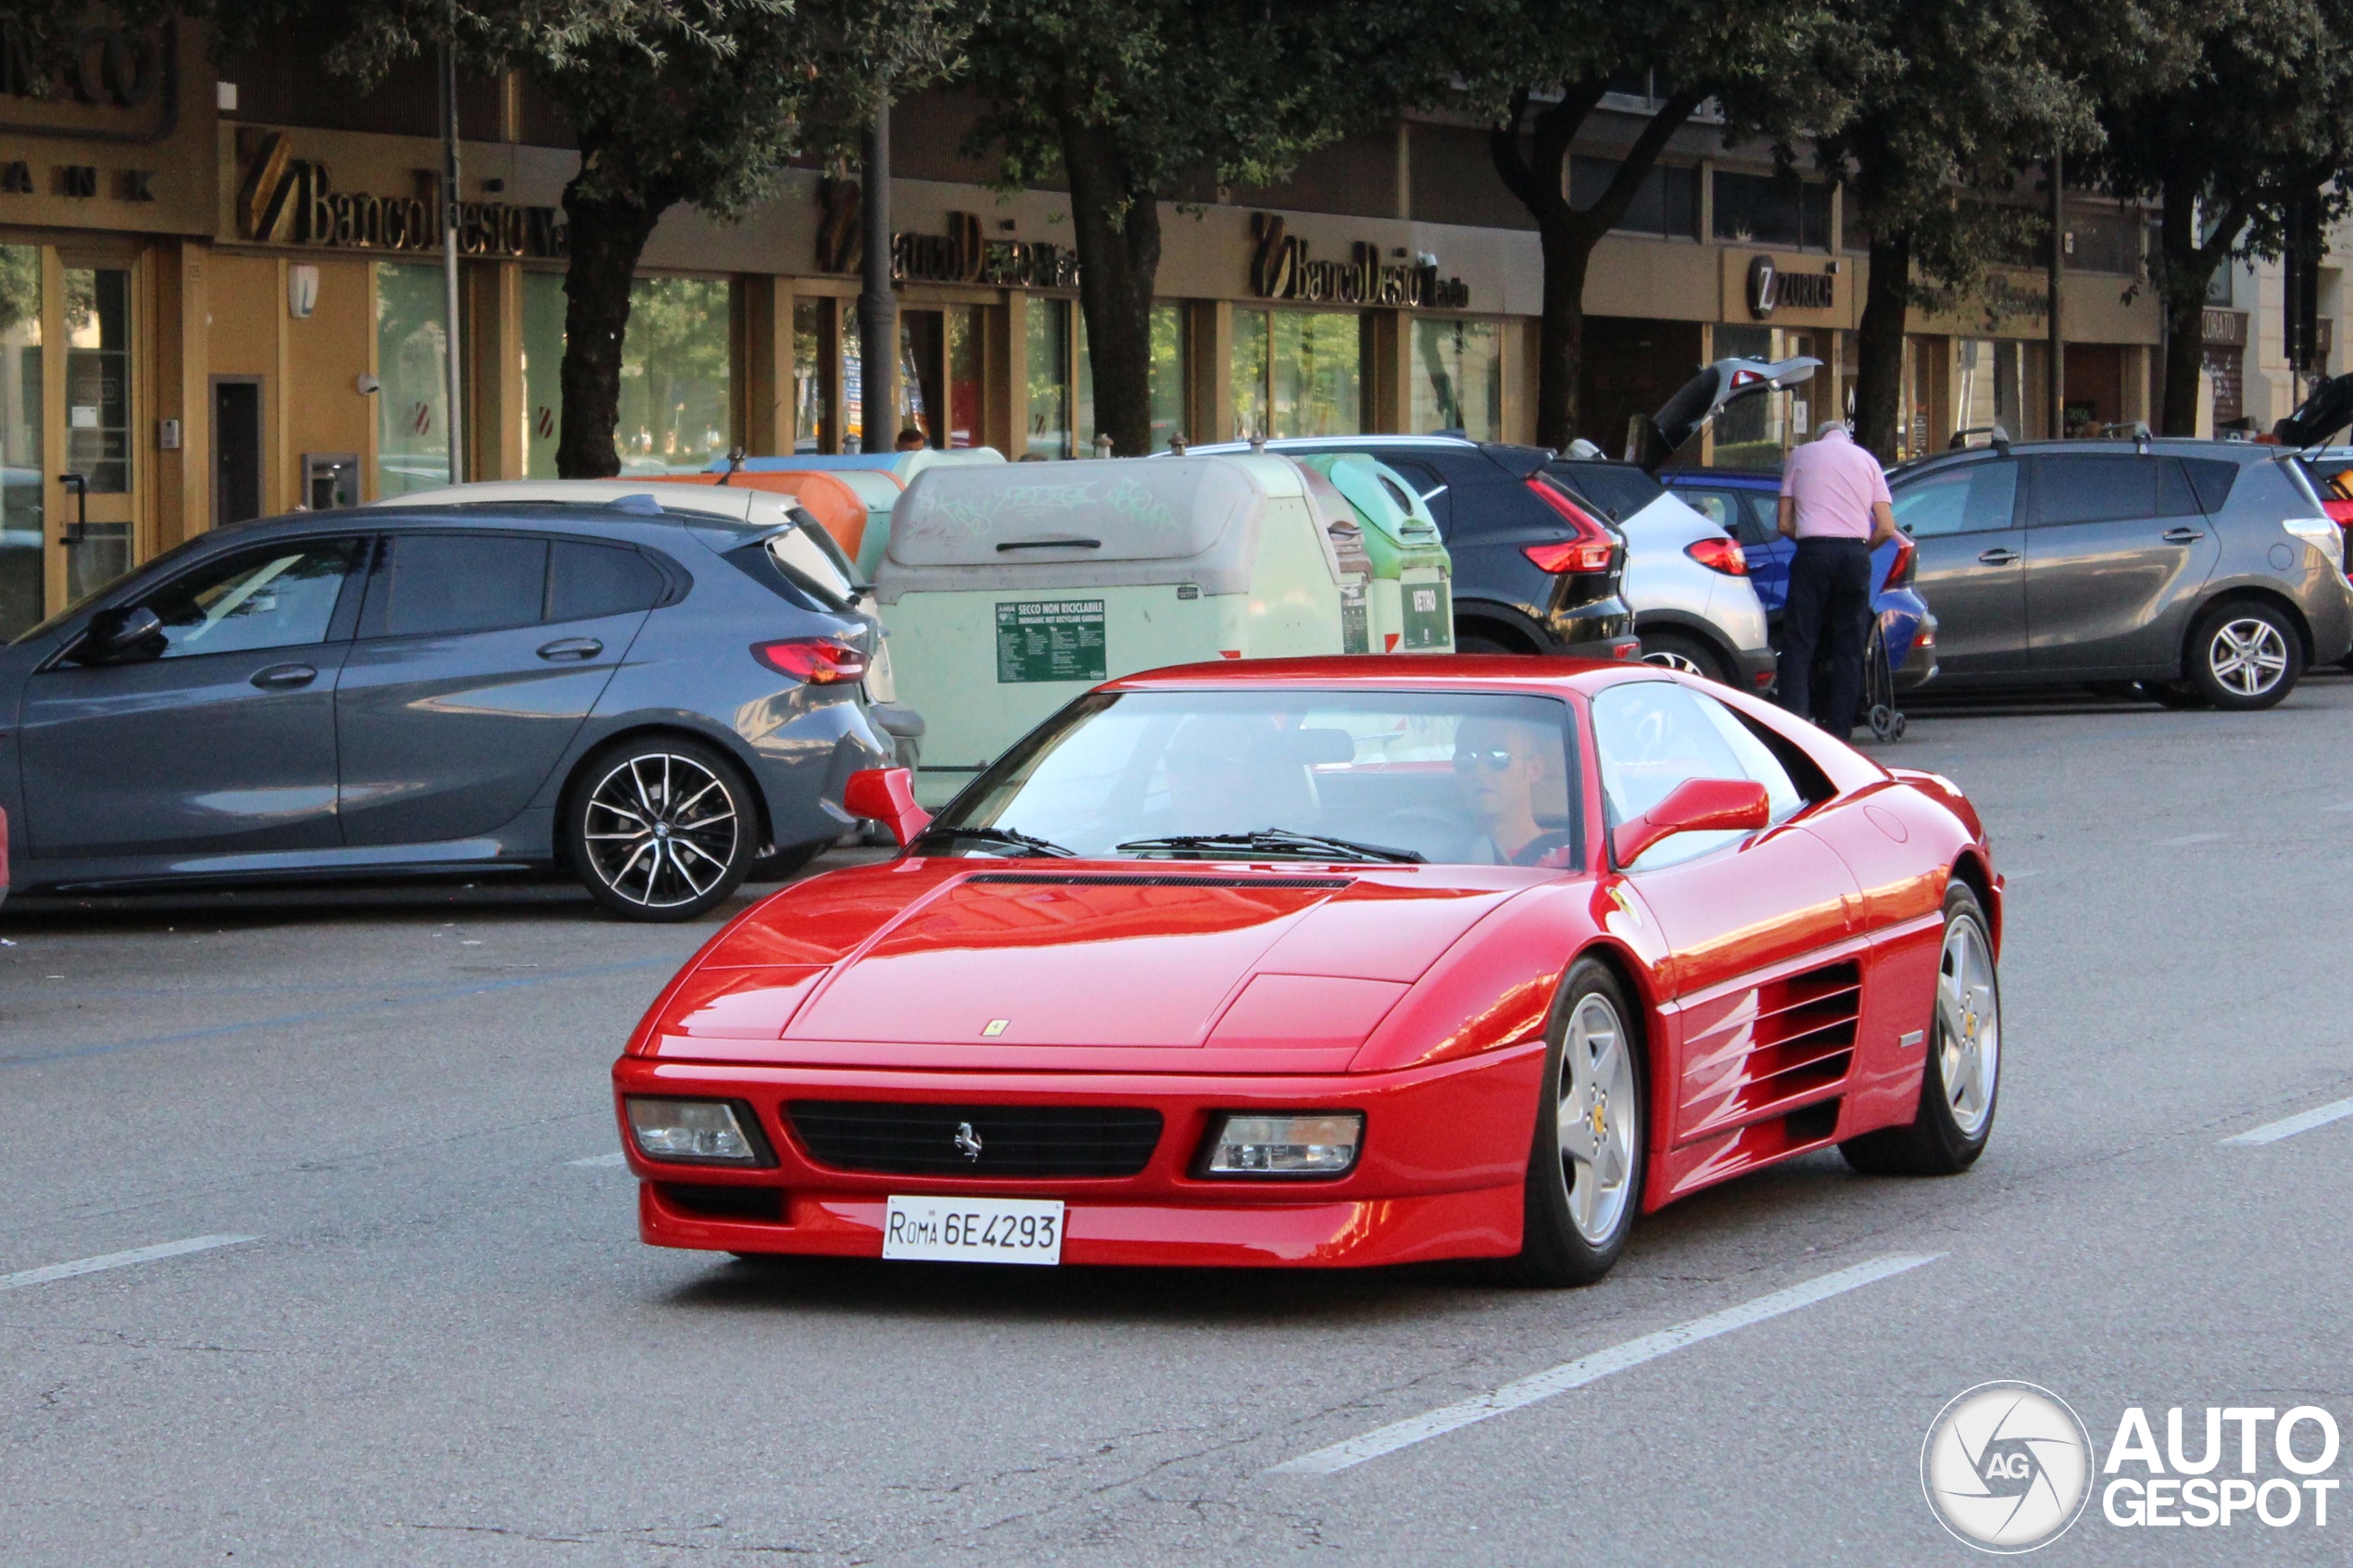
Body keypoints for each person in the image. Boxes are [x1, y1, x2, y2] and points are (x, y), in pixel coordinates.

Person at [1776, 419, 1896, 740]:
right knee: (1849, 648)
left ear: (1819, 436)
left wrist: (1811, 542)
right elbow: (1885, 526)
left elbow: (1784, 523)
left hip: (1812, 552)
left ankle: (1796, 729)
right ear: (1846, 436)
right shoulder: (1868, 461)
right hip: (1854, 555)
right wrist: (1860, 550)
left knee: (1799, 643)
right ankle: (1840, 734)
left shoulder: (1800, 457)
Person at [1452, 716, 1575, 867]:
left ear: (1534, 769)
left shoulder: (1569, 860)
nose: (1479, 770)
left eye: (1497, 757)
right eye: (1466, 758)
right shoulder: (1436, 857)